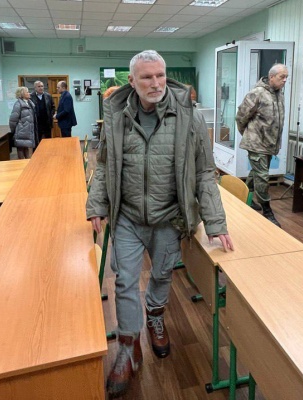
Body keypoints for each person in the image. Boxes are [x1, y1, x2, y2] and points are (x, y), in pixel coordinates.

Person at [86, 50, 233, 398]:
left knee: (163, 275)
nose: (155, 83)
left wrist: (216, 221)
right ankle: (128, 346)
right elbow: (105, 165)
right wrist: (97, 204)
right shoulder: (117, 115)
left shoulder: (188, 116)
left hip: (169, 216)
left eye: (160, 75)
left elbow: (204, 171)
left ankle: (155, 316)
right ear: (132, 81)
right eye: (146, 77)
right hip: (128, 216)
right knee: (124, 280)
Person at [235, 63, 289, 227]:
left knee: (257, 172)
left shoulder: (279, 94)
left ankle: (245, 197)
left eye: (286, 77)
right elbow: (241, 116)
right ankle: (267, 211)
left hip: (270, 143)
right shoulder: (257, 93)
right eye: (282, 77)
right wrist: (249, 135)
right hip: (256, 143)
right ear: (271, 77)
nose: (285, 80)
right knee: (263, 177)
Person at [9, 86, 36, 159]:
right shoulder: (18, 104)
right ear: (22, 94)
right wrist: (14, 131)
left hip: (28, 131)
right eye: (27, 92)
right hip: (21, 131)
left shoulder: (29, 103)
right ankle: (22, 165)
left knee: (27, 149)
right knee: (20, 150)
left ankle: (27, 164)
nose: (29, 93)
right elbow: (13, 120)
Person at [29, 81, 54, 146]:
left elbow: (53, 107)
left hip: (47, 122)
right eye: (39, 86)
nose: (41, 88)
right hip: (37, 123)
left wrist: (51, 115)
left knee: (48, 140)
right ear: (35, 88)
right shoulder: (31, 97)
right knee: (37, 141)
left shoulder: (48, 96)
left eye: (42, 86)